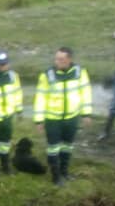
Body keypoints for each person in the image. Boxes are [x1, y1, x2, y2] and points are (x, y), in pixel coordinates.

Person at [33, 47, 92, 186]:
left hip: (72, 118)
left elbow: (86, 93)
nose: (57, 62)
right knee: (53, 147)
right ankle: (56, 176)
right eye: (56, 59)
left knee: (67, 146)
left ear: (69, 60)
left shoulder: (80, 73)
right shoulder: (47, 75)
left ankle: (64, 172)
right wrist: (39, 120)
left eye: (61, 59)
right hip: (53, 119)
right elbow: (40, 97)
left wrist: (86, 113)